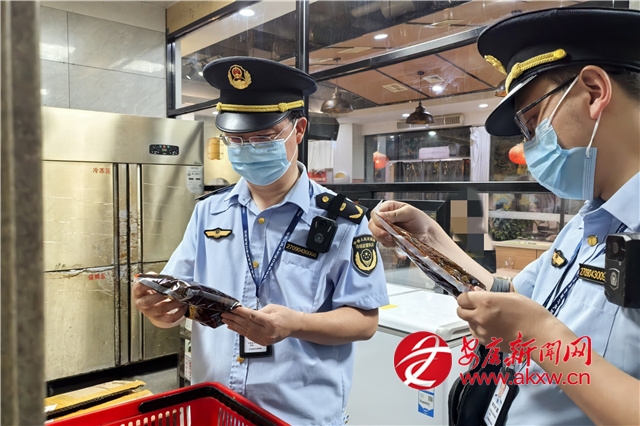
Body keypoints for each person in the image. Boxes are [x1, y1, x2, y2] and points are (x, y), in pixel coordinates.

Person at [369, 7, 639, 425]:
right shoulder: (590, 221)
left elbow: (530, 323)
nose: (529, 149)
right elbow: (509, 297)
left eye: (533, 125)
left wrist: (540, 335)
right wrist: (429, 240)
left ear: (593, 91)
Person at [133, 57, 389, 425]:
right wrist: (162, 310)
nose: (247, 148)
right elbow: (179, 296)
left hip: (297, 413)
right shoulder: (209, 212)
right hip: (216, 406)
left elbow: (364, 321)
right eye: (236, 139)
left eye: (263, 138)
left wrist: (295, 324)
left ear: (298, 130)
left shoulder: (341, 221)